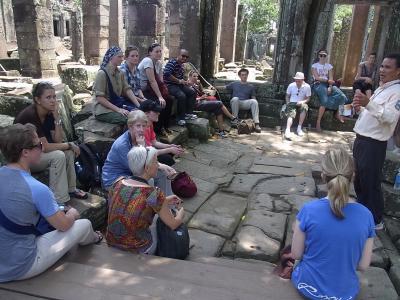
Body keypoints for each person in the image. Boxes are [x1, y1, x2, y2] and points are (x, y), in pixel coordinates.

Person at [0, 123, 102, 282]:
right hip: (20, 266)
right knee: (84, 224)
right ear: (25, 152)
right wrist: (73, 215)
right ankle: (96, 238)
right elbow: (63, 226)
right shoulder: (37, 189)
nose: (42, 147)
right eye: (39, 145)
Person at [291, 147, 375, 299]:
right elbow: (363, 265)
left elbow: (296, 254)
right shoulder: (366, 215)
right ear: (353, 176)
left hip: (308, 287)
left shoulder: (308, 210)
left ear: (323, 176)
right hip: (345, 293)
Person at [14, 82, 87, 203]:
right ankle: (58, 201)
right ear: (37, 100)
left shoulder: (48, 113)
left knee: (67, 152)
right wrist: (69, 144)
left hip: (36, 153)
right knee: (58, 155)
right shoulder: (31, 115)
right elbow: (45, 147)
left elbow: (58, 140)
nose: (53, 101)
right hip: (23, 159)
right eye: (48, 97)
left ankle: (71, 189)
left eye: (54, 97)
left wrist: (57, 118)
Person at [106, 146, 184, 254]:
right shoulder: (154, 193)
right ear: (147, 168)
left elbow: (133, 204)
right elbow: (173, 224)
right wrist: (181, 212)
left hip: (112, 242)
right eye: (156, 162)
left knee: (155, 216)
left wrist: (164, 200)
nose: (158, 165)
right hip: (137, 250)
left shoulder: (118, 182)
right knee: (161, 222)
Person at [352, 53, 400, 230]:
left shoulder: (397, 92)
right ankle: (362, 213)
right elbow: (372, 113)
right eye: (382, 66)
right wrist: (359, 108)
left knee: (370, 182)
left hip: (374, 144)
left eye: (387, 67)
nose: (382, 70)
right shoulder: (382, 88)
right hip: (362, 139)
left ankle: (375, 220)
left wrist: (368, 103)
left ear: (398, 71)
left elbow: (390, 117)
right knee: (360, 180)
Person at [102, 110, 176, 198]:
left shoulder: (139, 137)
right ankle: (149, 208)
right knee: (149, 180)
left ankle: (169, 202)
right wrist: (161, 165)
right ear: (130, 126)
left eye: (144, 126)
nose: (141, 129)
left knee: (163, 174)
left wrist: (162, 167)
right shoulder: (122, 145)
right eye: (138, 126)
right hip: (113, 180)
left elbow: (148, 158)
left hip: (130, 174)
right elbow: (139, 167)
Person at [92, 46, 141, 125]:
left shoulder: (120, 73)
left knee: (140, 113)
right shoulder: (102, 73)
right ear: (111, 57)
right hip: (103, 110)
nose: (122, 59)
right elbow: (100, 98)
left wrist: (139, 105)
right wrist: (118, 110)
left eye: (122, 57)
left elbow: (127, 90)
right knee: (133, 119)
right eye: (119, 57)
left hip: (116, 104)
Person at [188, 70, 238, 138]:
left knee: (218, 109)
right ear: (189, 77)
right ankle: (232, 117)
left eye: (197, 76)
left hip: (201, 101)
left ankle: (221, 131)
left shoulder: (195, 84)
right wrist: (200, 98)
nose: (196, 78)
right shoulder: (188, 85)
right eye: (194, 76)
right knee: (219, 103)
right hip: (196, 104)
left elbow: (202, 92)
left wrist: (200, 85)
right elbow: (189, 100)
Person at [137, 43, 172, 136]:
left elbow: (160, 81)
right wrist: (160, 96)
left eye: (160, 51)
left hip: (151, 89)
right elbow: (152, 81)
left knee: (169, 99)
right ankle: (157, 129)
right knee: (159, 102)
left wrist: (164, 93)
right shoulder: (147, 61)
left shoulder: (159, 63)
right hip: (142, 90)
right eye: (156, 51)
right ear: (150, 53)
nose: (159, 53)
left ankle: (165, 126)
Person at [311, 49, 348, 131]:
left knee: (343, 96)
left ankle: (339, 114)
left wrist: (330, 86)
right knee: (324, 100)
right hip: (318, 84)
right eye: (321, 55)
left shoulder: (329, 66)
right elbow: (317, 78)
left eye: (324, 55)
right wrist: (328, 81)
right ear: (318, 56)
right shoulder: (314, 66)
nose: (322, 57)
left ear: (327, 56)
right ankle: (318, 122)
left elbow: (331, 78)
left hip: (328, 84)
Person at [140, 100, 183, 166]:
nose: (159, 113)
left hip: (149, 150)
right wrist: (169, 149)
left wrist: (170, 146)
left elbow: (154, 142)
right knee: (167, 159)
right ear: (146, 113)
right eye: (155, 111)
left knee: (171, 152)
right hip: (143, 155)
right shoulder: (140, 129)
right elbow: (147, 153)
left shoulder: (150, 123)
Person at [163, 49, 197, 126]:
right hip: (169, 85)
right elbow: (166, 74)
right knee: (181, 95)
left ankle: (188, 113)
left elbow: (181, 79)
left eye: (186, 57)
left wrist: (186, 82)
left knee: (192, 92)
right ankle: (180, 118)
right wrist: (179, 81)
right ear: (178, 55)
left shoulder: (181, 65)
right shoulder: (172, 63)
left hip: (178, 85)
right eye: (183, 56)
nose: (184, 58)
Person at [226, 68, 261, 133]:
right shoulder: (234, 84)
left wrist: (255, 104)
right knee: (235, 99)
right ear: (239, 76)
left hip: (245, 102)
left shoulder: (251, 86)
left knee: (254, 101)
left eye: (245, 75)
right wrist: (213, 87)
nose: (244, 76)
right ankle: (234, 120)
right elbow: (224, 87)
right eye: (242, 75)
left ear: (247, 75)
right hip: (235, 102)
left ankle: (256, 124)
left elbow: (253, 97)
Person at [283, 72, 311, 138]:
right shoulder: (291, 85)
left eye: (299, 81)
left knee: (304, 107)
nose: (297, 82)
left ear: (303, 80)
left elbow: (308, 98)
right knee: (291, 113)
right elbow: (287, 96)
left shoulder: (307, 86)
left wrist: (302, 102)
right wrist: (288, 103)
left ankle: (299, 127)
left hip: (301, 102)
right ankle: (288, 129)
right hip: (292, 102)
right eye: (296, 81)